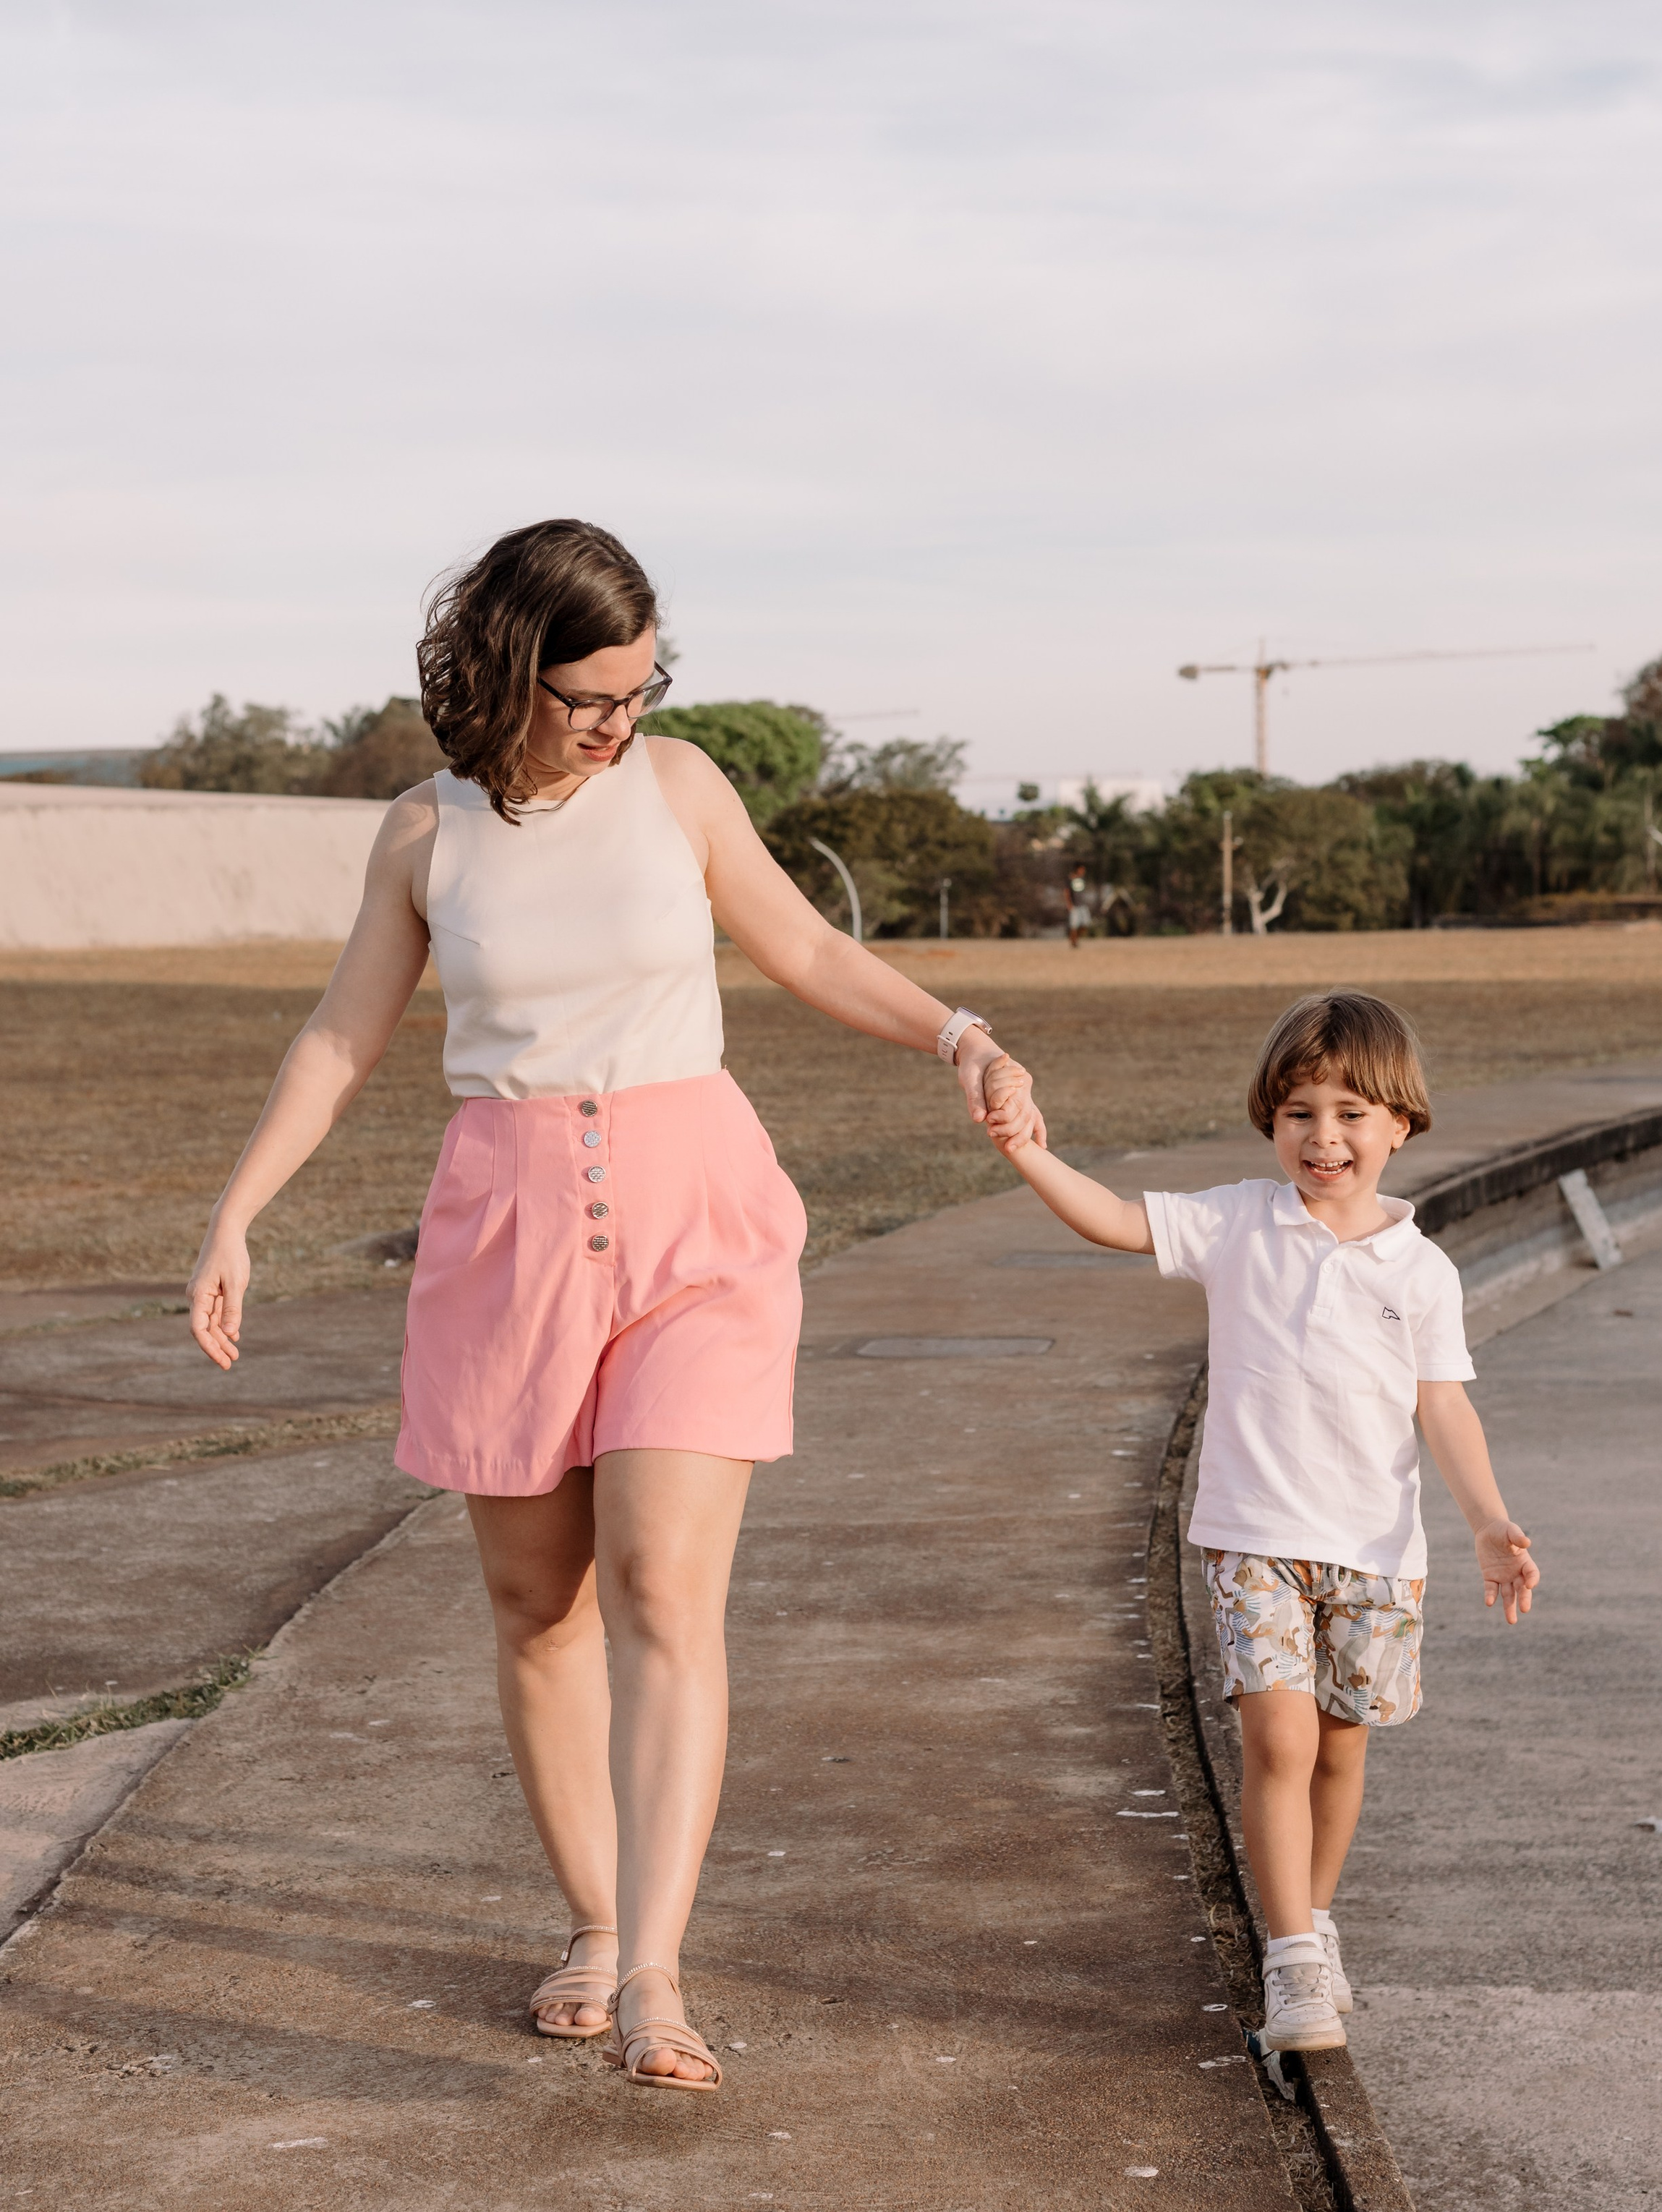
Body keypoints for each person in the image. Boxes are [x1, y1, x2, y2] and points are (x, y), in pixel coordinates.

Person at [186, 517, 1039, 2088]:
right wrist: (238, 1213)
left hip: (694, 1214)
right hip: (504, 1232)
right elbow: (338, 1042)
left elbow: (798, 945)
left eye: (641, 689)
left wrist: (959, 1036)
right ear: (510, 669)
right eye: (590, 696)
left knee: (659, 1584)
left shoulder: (681, 786)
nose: (617, 721)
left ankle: (655, 1971)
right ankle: (591, 1920)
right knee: (538, 1608)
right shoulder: (423, 836)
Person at [979, 988, 1538, 2054]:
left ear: (1400, 1125)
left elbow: (1444, 1405)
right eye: (1299, 1115)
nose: (1324, 1137)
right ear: (1270, 1122)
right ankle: (1288, 1966)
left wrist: (1489, 1521)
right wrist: (1027, 1154)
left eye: (1349, 1114)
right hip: (1254, 1539)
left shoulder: (1421, 1270)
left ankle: (1313, 1924)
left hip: (1376, 1552)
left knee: (1339, 1752)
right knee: (1276, 1741)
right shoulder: (1238, 1221)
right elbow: (1112, 1220)